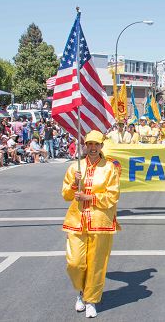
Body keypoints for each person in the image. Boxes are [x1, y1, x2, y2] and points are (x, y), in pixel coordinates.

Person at [61, 130, 121, 318]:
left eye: (96, 144)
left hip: (100, 222)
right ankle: (81, 290)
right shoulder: (74, 168)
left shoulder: (110, 168)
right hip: (76, 220)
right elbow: (66, 195)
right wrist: (74, 184)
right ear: (85, 146)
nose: (93, 148)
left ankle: (91, 299)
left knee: (96, 264)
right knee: (75, 263)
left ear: (102, 146)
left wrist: (90, 197)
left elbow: (113, 195)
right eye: (89, 144)